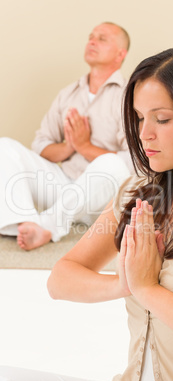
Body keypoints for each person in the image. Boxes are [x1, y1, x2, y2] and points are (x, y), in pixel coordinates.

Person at [0, 45, 173, 381]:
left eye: (162, 119)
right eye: (140, 118)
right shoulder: (138, 195)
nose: (144, 135)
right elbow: (60, 279)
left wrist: (148, 290)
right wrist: (125, 284)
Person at [0, 22, 133, 251]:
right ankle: (25, 223)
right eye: (91, 36)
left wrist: (84, 146)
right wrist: (69, 147)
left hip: (100, 197)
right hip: (63, 185)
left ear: (121, 54)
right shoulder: (68, 94)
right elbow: (40, 144)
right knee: (5, 146)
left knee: (114, 164)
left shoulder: (129, 96)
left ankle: (48, 225)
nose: (92, 41)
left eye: (102, 39)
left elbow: (134, 160)